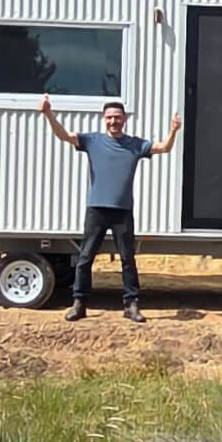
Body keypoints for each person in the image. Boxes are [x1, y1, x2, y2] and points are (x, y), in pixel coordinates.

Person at [39, 94, 181, 323]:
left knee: (127, 259)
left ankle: (131, 305)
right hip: (96, 209)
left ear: (124, 119)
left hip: (122, 211)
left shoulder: (135, 145)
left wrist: (173, 130)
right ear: (104, 119)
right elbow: (64, 136)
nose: (113, 121)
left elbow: (163, 148)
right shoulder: (92, 141)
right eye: (109, 117)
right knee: (85, 258)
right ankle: (79, 304)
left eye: (117, 117)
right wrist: (48, 113)